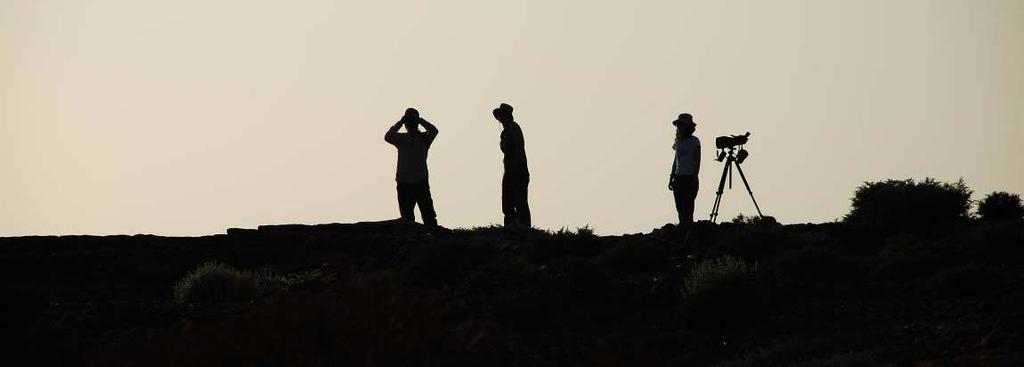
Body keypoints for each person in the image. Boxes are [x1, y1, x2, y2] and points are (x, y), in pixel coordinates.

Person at [385, 108, 439, 227]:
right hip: (404, 182)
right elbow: (388, 136)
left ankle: (434, 236)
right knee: (407, 217)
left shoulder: (424, 138)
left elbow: (434, 130)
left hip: (420, 181)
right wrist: (400, 122)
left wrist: (420, 120)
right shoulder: (401, 138)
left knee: (428, 214)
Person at [493, 103, 531, 228]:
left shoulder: (514, 128)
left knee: (520, 201)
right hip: (509, 170)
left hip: (518, 169)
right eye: (499, 116)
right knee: (507, 202)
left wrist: (516, 167)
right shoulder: (505, 132)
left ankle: (523, 227)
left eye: (502, 115)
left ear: (508, 116)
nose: (500, 118)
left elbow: (519, 147)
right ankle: (510, 226)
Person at [669, 113, 700, 226]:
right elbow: (675, 160)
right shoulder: (678, 141)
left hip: (689, 176)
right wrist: (671, 176)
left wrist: (694, 177)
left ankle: (687, 227)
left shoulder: (694, 141)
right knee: (679, 206)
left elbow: (697, 160)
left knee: (688, 205)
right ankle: (682, 226)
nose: (679, 128)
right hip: (678, 177)